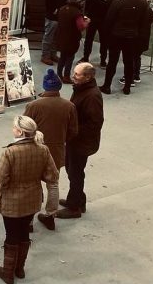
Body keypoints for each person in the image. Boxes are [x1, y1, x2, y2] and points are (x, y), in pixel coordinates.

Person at [0, 115, 59, 284]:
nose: (12, 129)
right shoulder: (43, 149)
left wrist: (8, 184)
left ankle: (7, 273)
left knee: (11, 235)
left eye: (14, 127)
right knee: (23, 233)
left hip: (11, 202)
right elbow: (53, 175)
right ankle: (19, 268)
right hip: (32, 199)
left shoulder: (10, 152)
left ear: (20, 132)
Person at [24, 69, 78, 231]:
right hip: (57, 151)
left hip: (34, 151)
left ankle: (28, 222)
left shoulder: (33, 105)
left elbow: (24, 129)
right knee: (53, 184)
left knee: (32, 186)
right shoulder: (69, 106)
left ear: (45, 86)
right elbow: (73, 131)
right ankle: (50, 216)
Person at [56, 62, 103, 219]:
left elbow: (95, 123)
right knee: (71, 169)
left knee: (75, 173)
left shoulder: (92, 96)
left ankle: (74, 207)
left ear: (88, 77)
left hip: (81, 142)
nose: (73, 77)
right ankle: (77, 200)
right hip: (75, 140)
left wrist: (73, 130)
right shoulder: (82, 89)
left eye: (77, 74)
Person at [100, 0, 152, 95]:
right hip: (132, 37)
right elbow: (144, 24)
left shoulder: (118, 2)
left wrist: (106, 37)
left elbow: (109, 20)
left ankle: (107, 86)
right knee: (129, 62)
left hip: (116, 36)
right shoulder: (143, 4)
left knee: (112, 62)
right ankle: (127, 87)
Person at [82, 0, 117, 68]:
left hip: (104, 20)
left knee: (104, 41)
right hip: (91, 17)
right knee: (88, 39)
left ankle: (103, 60)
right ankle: (85, 57)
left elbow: (109, 4)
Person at [54, 0, 89, 83]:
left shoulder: (62, 8)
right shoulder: (77, 12)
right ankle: (66, 77)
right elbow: (81, 27)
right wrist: (87, 22)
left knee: (62, 57)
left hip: (61, 37)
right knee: (70, 58)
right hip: (72, 39)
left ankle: (59, 74)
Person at [41, 0, 71, 66]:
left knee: (56, 37)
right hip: (52, 17)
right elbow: (48, 3)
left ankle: (53, 54)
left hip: (61, 16)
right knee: (48, 37)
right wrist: (55, 11)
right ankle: (45, 56)